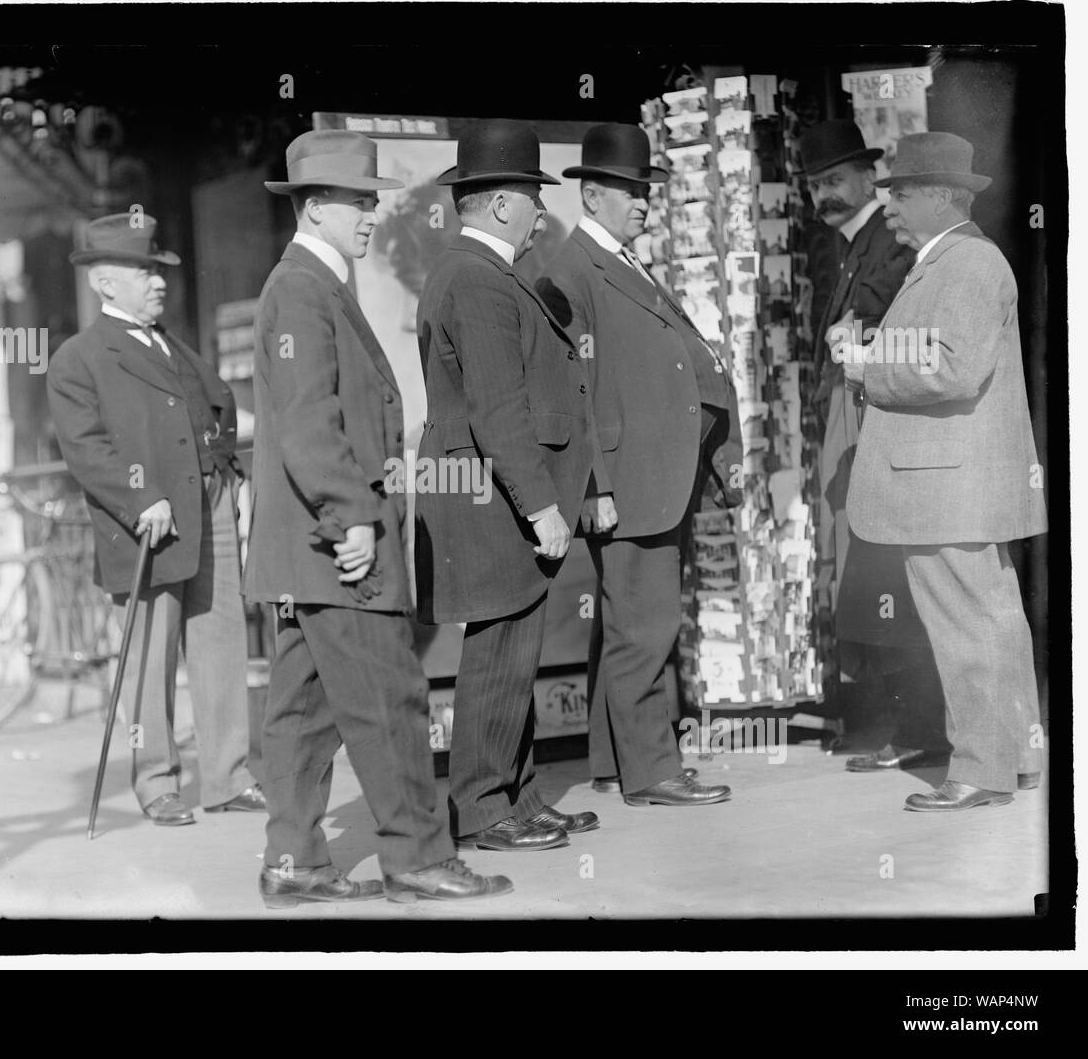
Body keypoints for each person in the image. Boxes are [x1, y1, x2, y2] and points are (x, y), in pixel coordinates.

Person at [246, 130, 510, 904]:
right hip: (336, 544)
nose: (370, 213)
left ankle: (291, 861)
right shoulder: (302, 289)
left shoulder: (313, 285)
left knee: (303, 708)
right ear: (316, 204)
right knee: (391, 700)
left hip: (311, 550)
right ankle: (417, 858)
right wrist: (353, 516)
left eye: (372, 199)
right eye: (359, 200)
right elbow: (307, 424)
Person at [414, 119, 604, 852]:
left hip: (487, 492)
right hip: (492, 497)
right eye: (532, 197)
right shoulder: (476, 278)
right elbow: (499, 409)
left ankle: (518, 797)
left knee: (515, 650)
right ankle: (486, 810)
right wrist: (544, 505)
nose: (540, 212)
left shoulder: (479, 273)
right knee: (498, 655)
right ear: (500, 204)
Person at [844, 132, 1047, 811]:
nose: (890, 209)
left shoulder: (964, 264)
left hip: (945, 482)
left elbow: (951, 369)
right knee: (991, 619)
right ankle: (1011, 757)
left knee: (969, 628)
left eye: (900, 194)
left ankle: (980, 773)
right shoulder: (957, 261)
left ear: (941, 196)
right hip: (952, 479)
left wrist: (867, 368)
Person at [536, 122, 735, 806]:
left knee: (628, 622)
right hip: (629, 477)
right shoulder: (573, 270)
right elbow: (573, 383)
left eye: (646, 189)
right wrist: (596, 484)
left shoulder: (619, 258)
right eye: (629, 190)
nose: (644, 201)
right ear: (590, 195)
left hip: (650, 470)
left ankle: (611, 759)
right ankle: (653, 772)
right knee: (646, 626)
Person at [48, 212, 263, 827]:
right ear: (104, 283)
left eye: (159, 269)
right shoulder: (78, 359)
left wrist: (230, 473)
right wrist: (141, 499)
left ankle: (226, 776)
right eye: (144, 271)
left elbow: (217, 407)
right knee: (149, 658)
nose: (159, 280)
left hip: (209, 504)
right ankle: (156, 780)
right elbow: (85, 448)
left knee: (220, 639)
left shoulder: (169, 343)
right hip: (149, 521)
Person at [798, 119, 950, 774]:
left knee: (892, 572)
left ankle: (919, 727)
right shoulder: (850, 248)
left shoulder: (891, 244)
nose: (823, 196)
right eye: (814, 186)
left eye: (835, 180)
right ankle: (898, 720)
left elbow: (920, 342)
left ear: (868, 177)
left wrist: (862, 355)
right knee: (867, 574)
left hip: (881, 424)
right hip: (854, 423)